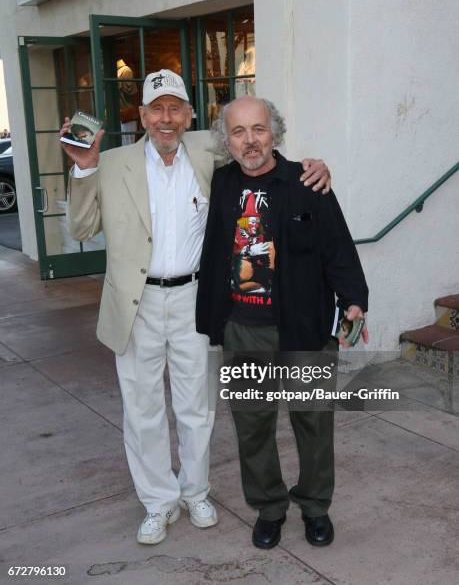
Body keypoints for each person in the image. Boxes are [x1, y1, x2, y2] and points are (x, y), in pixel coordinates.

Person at [59, 69, 333, 546]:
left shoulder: (210, 153)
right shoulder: (112, 162)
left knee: (197, 407)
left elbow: (261, 151)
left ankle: (196, 491)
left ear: (190, 115)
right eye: (156, 109)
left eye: (175, 108)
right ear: (142, 115)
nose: (166, 119)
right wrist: (83, 167)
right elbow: (82, 230)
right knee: (142, 409)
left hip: (195, 300)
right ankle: (158, 502)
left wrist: (314, 167)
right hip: (136, 304)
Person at [196, 96, 369, 550]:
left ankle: (315, 508)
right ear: (226, 140)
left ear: (275, 133)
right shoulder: (220, 183)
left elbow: (338, 248)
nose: (250, 140)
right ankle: (269, 509)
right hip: (241, 326)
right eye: (238, 132)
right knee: (252, 426)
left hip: (303, 326)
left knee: (313, 423)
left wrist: (353, 300)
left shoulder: (307, 182)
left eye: (258, 129)